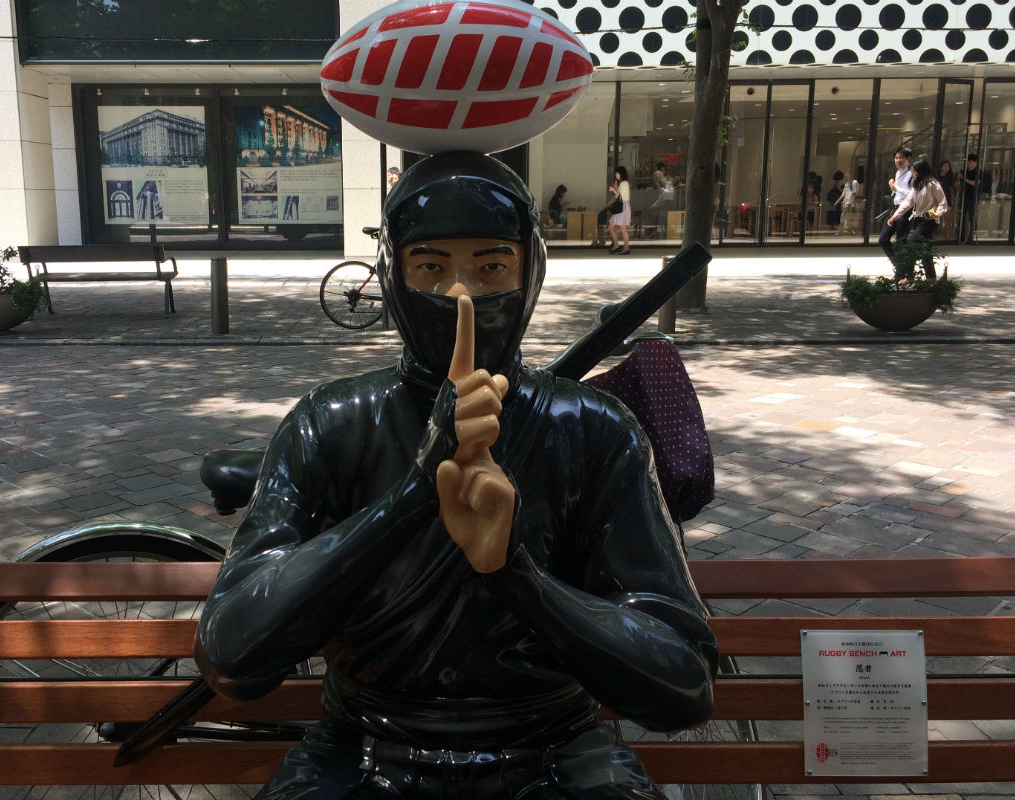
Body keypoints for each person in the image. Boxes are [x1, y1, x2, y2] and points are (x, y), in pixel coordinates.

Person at [194, 152, 717, 800]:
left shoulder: (594, 428)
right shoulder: (329, 423)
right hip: (365, 746)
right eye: (431, 267)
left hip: (553, 745)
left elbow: (683, 683)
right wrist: (411, 496)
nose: (461, 295)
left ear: (530, 272)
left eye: (492, 266)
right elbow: (231, 656)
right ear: (392, 275)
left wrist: (517, 574)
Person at [887, 158, 948, 281]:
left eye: (914, 172)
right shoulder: (917, 185)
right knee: (925, 249)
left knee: (911, 246)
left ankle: (907, 276)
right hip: (918, 220)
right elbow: (908, 202)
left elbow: (943, 203)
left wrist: (936, 213)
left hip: (929, 221)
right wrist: (895, 216)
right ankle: (931, 277)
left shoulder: (933, 184)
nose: (912, 174)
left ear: (921, 172)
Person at [879, 145, 913, 261]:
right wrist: (893, 187)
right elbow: (897, 192)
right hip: (895, 209)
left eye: (901, 158)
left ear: (908, 158)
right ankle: (898, 265)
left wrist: (896, 188)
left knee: (901, 241)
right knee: (883, 239)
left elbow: (912, 194)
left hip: (905, 210)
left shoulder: (911, 173)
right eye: (896, 158)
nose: (898, 160)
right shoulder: (898, 172)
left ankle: (902, 267)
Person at [607, 166, 632, 254]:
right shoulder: (622, 183)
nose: (616, 175)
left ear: (621, 174)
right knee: (612, 227)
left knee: (622, 229)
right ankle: (618, 246)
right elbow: (618, 196)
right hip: (621, 207)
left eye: (617, 173)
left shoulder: (624, 183)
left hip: (622, 207)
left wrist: (614, 189)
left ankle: (625, 248)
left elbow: (621, 197)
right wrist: (615, 188)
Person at [958, 154, 980, 243]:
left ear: (975, 163)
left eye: (971, 162)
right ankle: (961, 237)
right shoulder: (964, 171)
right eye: (968, 162)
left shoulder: (978, 172)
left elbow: (975, 183)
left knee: (972, 217)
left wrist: (964, 179)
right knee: (962, 216)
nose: (969, 164)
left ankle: (972, 237)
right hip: (964, 196)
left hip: (973, 197)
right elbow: (959, 184)